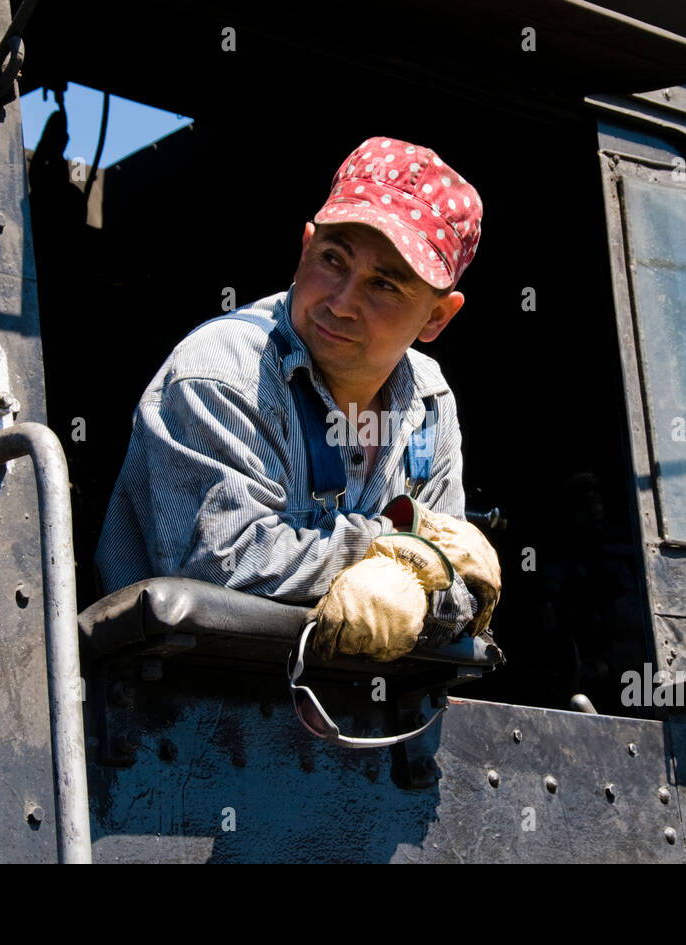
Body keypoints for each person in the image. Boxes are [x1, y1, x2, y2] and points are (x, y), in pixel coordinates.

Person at [94, 136, 501, 662]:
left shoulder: (428, 404)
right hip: (180, 715)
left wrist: (422, 572)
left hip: (368, 722)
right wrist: (396, 546)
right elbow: (224, 564)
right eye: (333, 259)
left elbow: (461, 591)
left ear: (437, 317)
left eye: (385, 285)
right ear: (306, 245)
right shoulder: (223, 372)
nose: (342, 302)